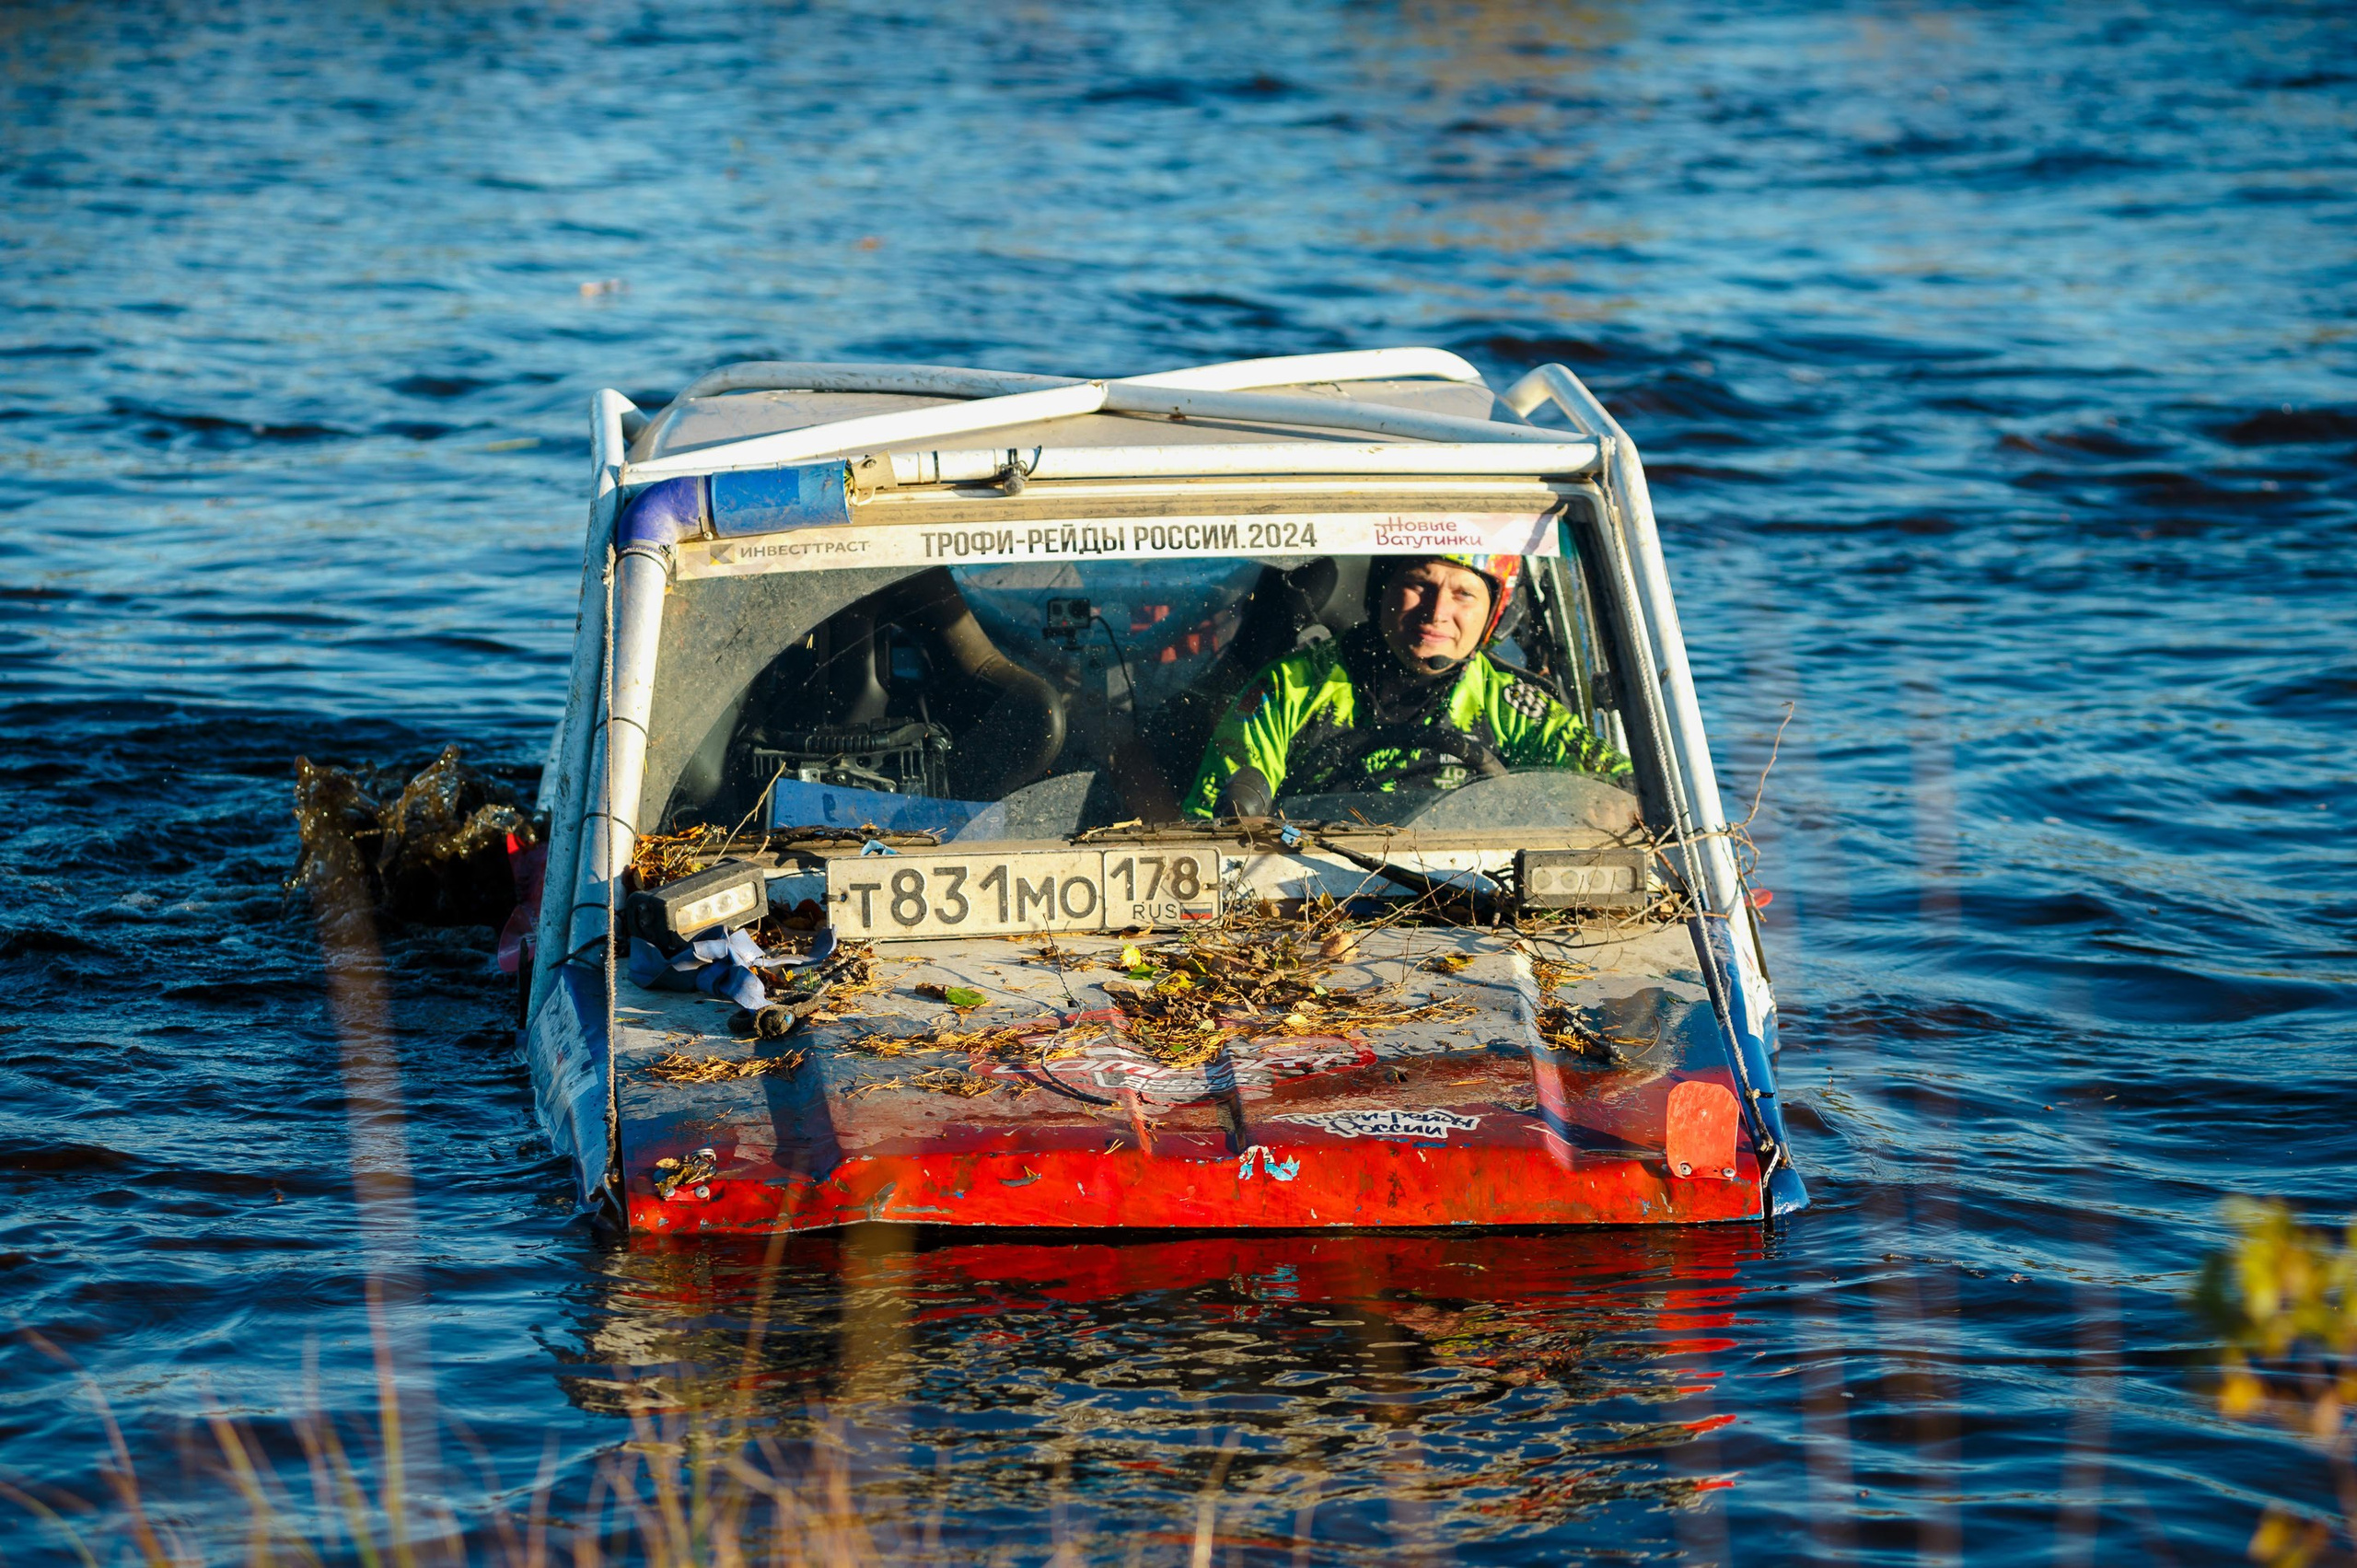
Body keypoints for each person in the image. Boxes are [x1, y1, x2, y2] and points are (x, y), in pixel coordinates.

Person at [1181, 553, 1630, 818]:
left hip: (1475, 897)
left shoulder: (1512, 702)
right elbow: (1217, 817)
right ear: (1382, 591)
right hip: (1304, 894)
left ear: (1494, 613)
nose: (1436, 613)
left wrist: (1610, 802)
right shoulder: (1291, 686)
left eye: (1463, 594)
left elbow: (1618, 785)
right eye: (1419, 585)